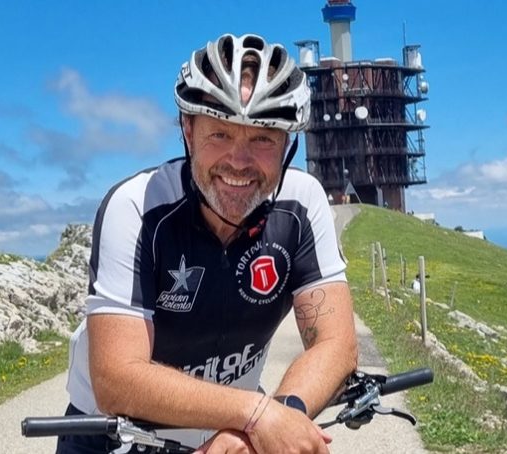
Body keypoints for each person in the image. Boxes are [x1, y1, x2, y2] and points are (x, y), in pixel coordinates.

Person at [60, 33, 358, 454]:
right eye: (219, 134)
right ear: (188, 130)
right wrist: (256, 414)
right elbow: (116, 377)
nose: (238, 161)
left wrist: (281, 416)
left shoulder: (303, 204)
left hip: (231, 437)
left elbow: (336, 343)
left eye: (262, 138)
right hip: (116, 435)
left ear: (287, 145)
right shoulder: (136, 206)